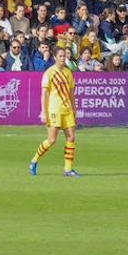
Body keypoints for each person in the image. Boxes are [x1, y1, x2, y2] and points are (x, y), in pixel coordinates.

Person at [30, 46, 78, 176]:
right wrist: (44, 112)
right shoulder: (49, 73)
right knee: (51, 140)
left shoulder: (68, 73)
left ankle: (68, 169)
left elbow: (71, 92)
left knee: (71, 137)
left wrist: (74, 107)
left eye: (65, 56)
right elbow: (44, 94)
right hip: (54, 109)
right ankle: (34, 160)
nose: (63, 58)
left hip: (67, 108)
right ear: (55, 57)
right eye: (61, 56)